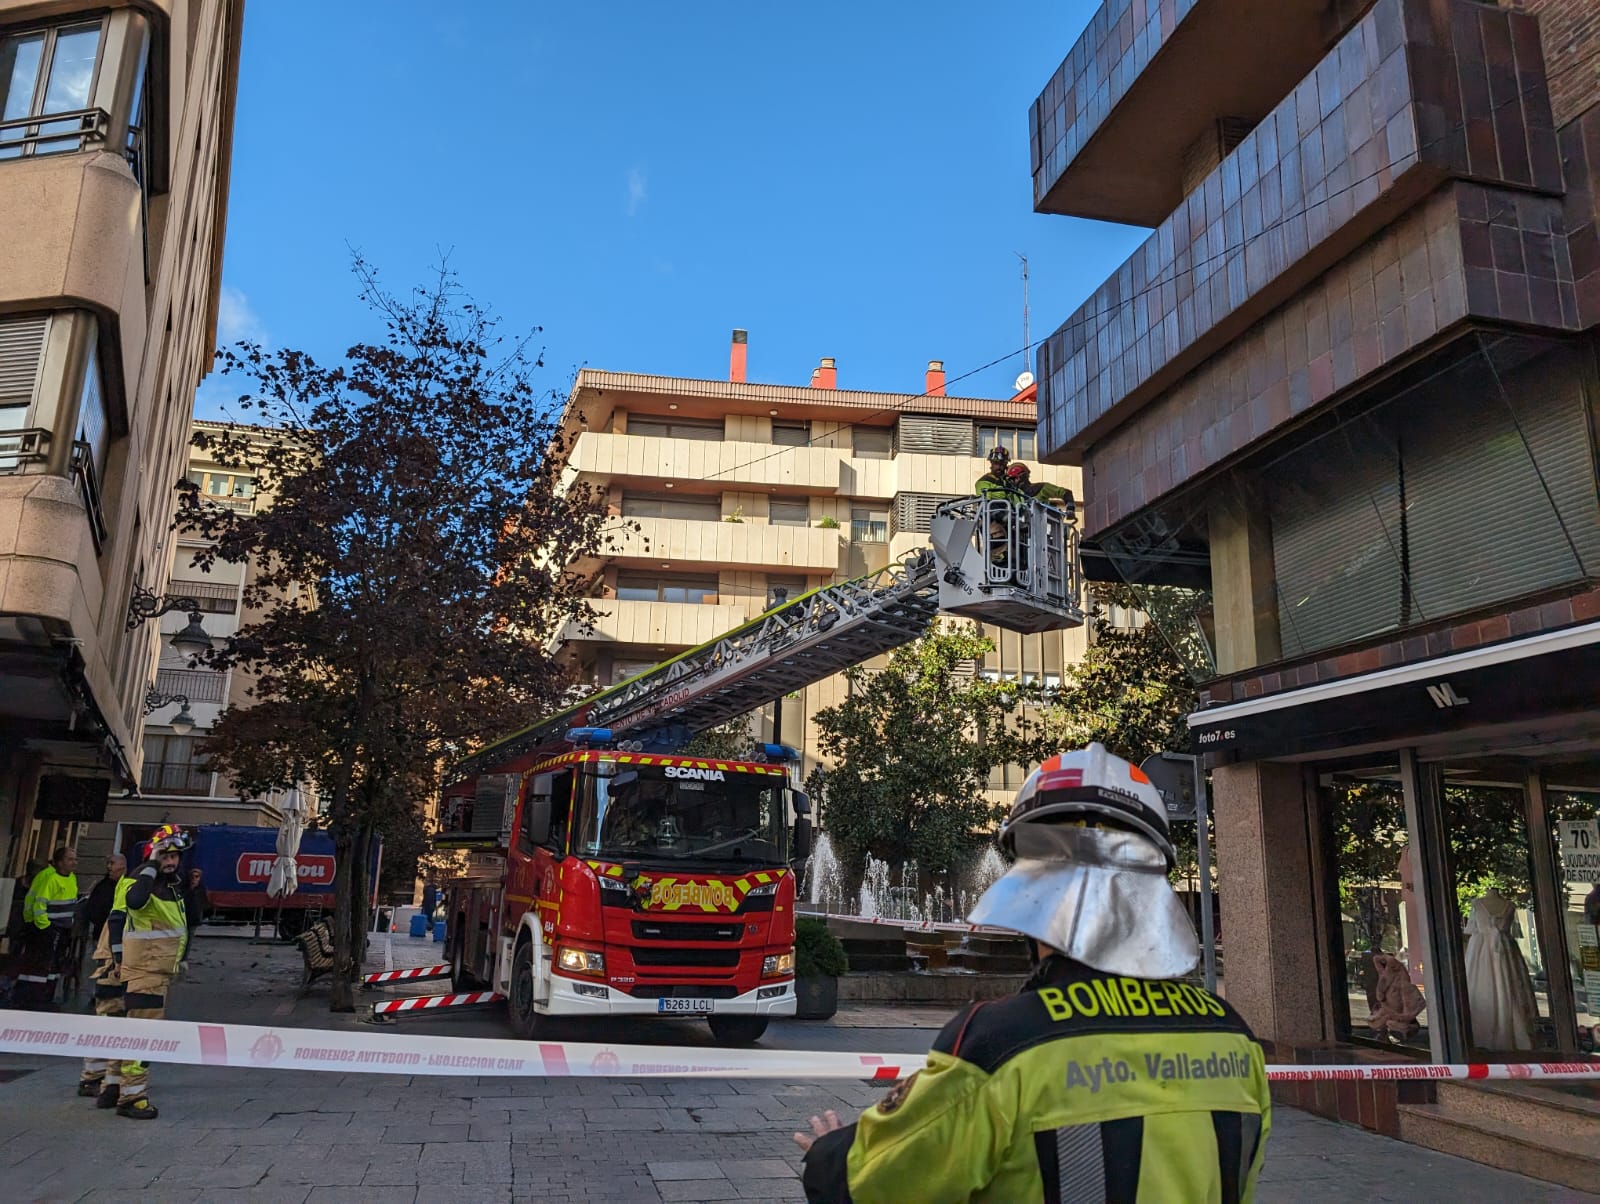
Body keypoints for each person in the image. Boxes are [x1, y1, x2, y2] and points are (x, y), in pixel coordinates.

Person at [795, 743, 1272, 1203]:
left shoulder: (1001, 1043)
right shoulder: (1233, 1037)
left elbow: (877, 1183)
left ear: (1038, 890)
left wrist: (829, 1154)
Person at [109, 824, 191, 1119]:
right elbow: (133, 903)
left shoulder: (171, 886)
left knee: (139, 1033)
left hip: (158, 971)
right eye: (164, 855)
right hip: (145, 971)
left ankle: (117, 1088)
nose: (171, 861)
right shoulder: (143, 880)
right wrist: (151, 865)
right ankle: (132, 1098)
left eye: (174, 856)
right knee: (143, 1036)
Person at [78, 858, 135, 1104]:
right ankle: (93, 1078)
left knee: (113, 1021)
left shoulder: (124, 888)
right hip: (112, 963)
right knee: (109, 1020)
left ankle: (104, 1079)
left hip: (116, 961)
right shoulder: (128, 891)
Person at [17, 846, 79, 1010]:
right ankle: (31, 999)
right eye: (70, 859)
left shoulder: (71, 877)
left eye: (75, 859)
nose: (74, 863)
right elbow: (39, 905)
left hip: (60, 929)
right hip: (43, 928)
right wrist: (45, 928)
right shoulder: (49, 877)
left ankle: (46, 997)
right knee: (40, 965)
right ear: (59, 862)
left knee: (54, 966)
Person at [1005, 461, 1076, 523]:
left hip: (1044, 527)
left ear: (1019, 477)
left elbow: (1066, 493)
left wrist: (1070, 509)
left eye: (1012, 479)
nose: (1012, 482)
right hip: (1023, 530)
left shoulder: (1042, 488)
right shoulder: (1013, 494)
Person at [83, 854, 127, 946]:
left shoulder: (128, 885)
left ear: (122, 865)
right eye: (108, 863)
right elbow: (91, 910)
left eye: (112, 863)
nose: (108, 867)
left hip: (121, 936)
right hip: (101, 934)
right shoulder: (102, 887)